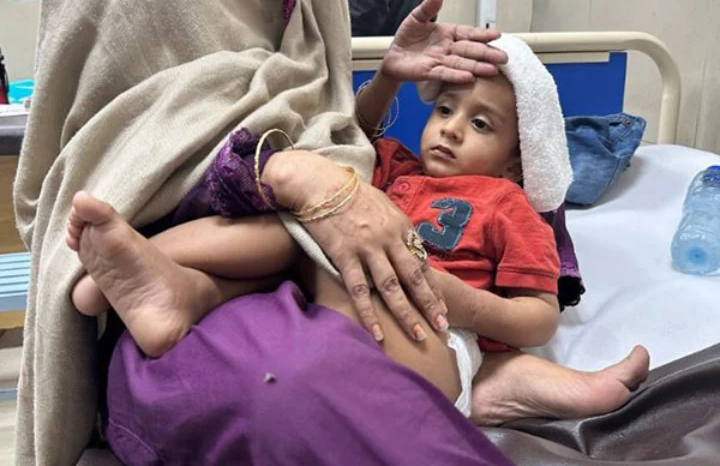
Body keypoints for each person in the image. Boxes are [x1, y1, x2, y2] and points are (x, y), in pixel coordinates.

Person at [66, 32, 649, 424]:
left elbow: (540, 315)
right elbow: (346, 136)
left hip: (427, 324)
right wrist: (389, 79)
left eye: (480, 124)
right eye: (444, 109)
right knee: (298, 227)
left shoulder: (509, 205)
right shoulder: (398, 168)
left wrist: (465, 303)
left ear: (517, 162)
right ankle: (159, 273)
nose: (450, 129)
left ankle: (166, 277)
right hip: (325, 292)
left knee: (303, 244)